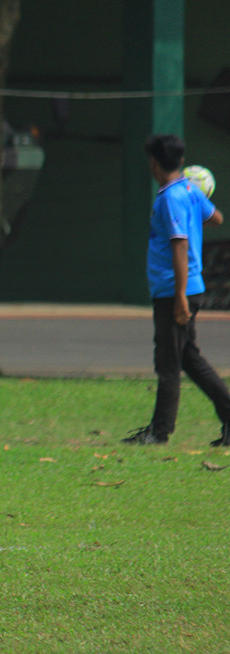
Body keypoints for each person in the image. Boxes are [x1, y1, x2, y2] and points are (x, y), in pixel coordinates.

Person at [124, 134, 230, 446]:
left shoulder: (171, 197)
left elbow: (180, 246)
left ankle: (159, 433)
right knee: (189, 358)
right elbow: (217, 218)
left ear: (154, 164)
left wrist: (180, 297)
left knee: (168, 363)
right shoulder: (189, 190)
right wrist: (195, 206)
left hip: (175, 291)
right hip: (188, 288)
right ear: (181, 162)